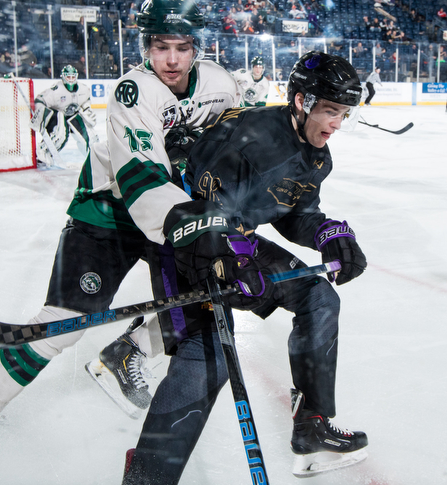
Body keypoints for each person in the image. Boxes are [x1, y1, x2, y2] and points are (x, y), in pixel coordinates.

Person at [0, 0, 242, 485]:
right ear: (146, 46)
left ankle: (128, 353)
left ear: (197, 47)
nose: (170, 59)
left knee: (197, 305)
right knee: (65, 323)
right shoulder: (132, 91)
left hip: (176, 209)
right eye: (159, 46)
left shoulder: (220, 85)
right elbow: (143, 180)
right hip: (110, 208)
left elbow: (237, 143)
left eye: (181, 47)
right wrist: (198, 226)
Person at [89, 51, 369, 482]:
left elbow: (295, 213)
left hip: (233, 239)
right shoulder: (251, 134)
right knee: (207, 357)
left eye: (343, 114)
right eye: (330, 110)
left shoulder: (317, 157)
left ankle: (312, 424)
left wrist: (330, 234)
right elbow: (196, 201)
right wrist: (233, 255)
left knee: (318, 296)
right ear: (301, 101)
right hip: (183, 236)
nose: (335, 123)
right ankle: (148, 476)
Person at [28, 64, 97, 165]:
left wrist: (87, 111)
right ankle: (42, 152)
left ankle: (95, 157)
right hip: (56, 117)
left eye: (73, 76)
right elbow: (40, 100)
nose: (71, 79)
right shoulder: (56, 90)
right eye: (68, 77)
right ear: (63, 77)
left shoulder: (83, 89)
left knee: (89, 136)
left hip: (73, 115)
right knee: (60, 135)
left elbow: (85, 102)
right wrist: (41, 114)